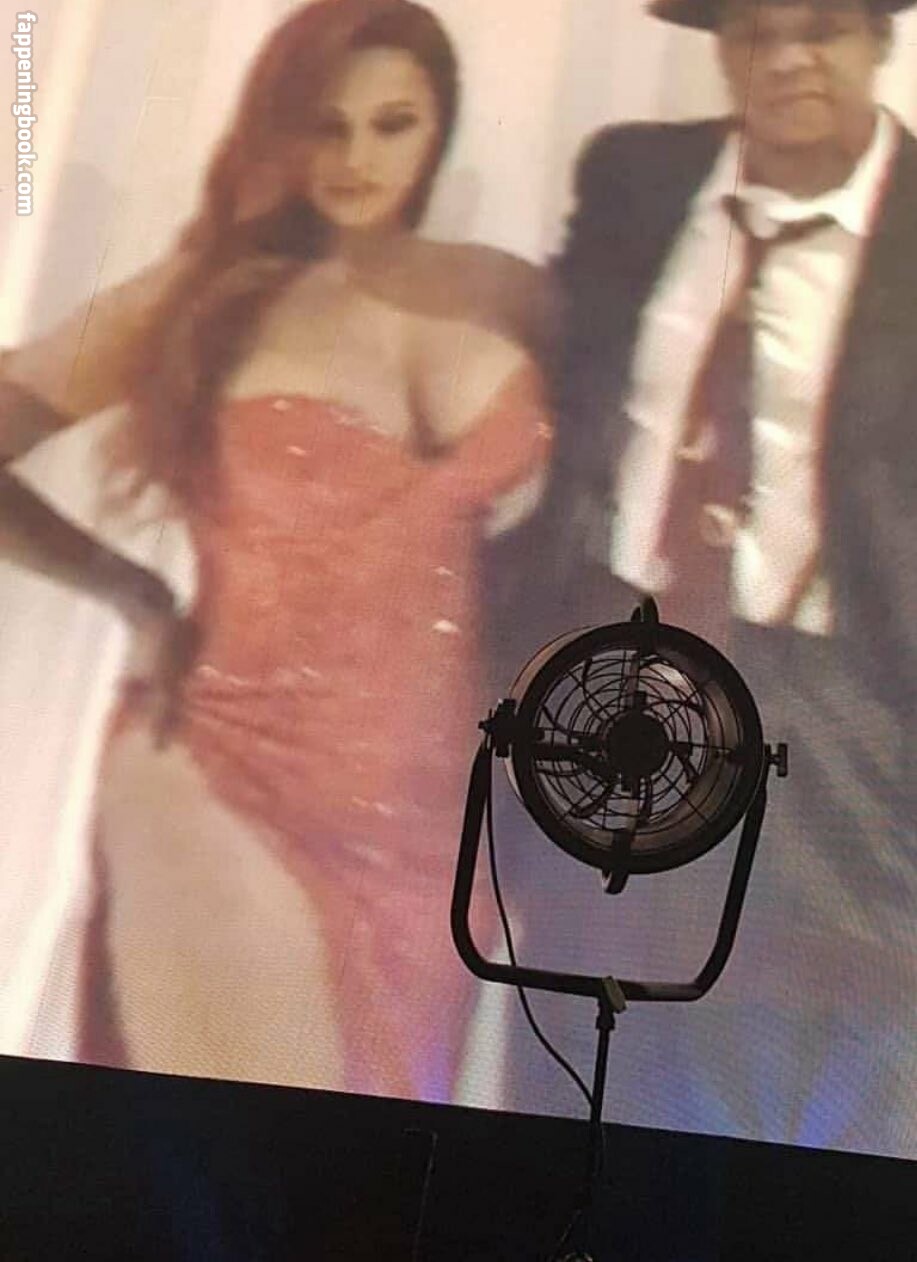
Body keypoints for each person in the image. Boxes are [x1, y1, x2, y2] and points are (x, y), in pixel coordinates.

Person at [0, 0, 554, 1103]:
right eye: (322, 124)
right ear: (276, 128)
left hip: (438, 824)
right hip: (222, 766)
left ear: (439, 126)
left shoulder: (504, 294)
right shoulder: (208, 296)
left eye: (392, 123)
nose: (355, 158)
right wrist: (136, 595)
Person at [505, 0, 917, 1157]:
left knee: (813, 1076)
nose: (784, 59)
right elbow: (569, 375)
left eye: (820, 28)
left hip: (836, 712)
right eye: (751, 33)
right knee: (579, 1044)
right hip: (612, 680)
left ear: (878, 41)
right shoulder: (636, 180)